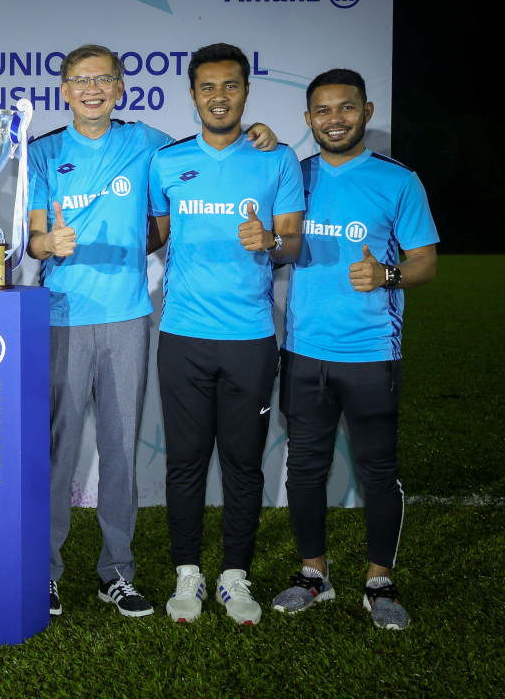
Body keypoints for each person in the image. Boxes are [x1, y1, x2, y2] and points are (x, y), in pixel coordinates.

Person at [27, 43, 277, 618]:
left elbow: (193, 181)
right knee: (58, 447)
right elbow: (35, 238)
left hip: (129, 317)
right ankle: (45, 572)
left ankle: (116, 572)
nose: (92, 89)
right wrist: (50, 246)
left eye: (103, 79)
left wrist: (258, 133)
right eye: (79, 79)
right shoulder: (41, 154)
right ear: (64, 89)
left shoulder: (149, 145)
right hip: (62, 315)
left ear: (120, 89)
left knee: (119, 447)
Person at [270, 69, 438, 630]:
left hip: (371, 352)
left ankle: (379, 582)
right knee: (305, 470)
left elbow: (424, 262)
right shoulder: (293, 176)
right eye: (322, 110)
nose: (334, 119)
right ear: (308, 118)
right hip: (303, 351)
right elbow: (276, 246)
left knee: (378, 471)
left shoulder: (399, 181)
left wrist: (387, 274)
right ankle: (313, 574)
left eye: (345, 108)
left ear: (366, 112)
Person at [148, 43, 304, 626]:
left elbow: (291, 242)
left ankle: (234, 575)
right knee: (185, 461)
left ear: (245, 91)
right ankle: (188, 572)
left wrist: (272, 243)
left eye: (231, 86)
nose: (219, 97)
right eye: (208, 87)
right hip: (183, 335)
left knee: (243, 463)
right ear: (192, 95)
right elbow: (155, 235)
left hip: (251, 338)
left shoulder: (277, 159)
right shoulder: (166, 161)